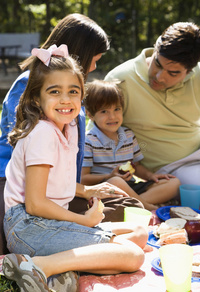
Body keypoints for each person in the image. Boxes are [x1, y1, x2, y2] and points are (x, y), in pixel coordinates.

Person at [2, 46, 148, 292]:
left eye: (73, 91)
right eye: (54, 91)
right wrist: (83, 220)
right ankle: (39, 266)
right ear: (37, 98)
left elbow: (56, 183)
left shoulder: (67, 128)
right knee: (133, 255)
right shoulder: (43, 133)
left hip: (47, 221)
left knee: (139, 231)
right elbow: (35, 204)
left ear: (82, 96)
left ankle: (63, 269)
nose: (65, 99)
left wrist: (89, 191)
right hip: (28, 226)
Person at [103, 22, 200, 185]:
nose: (160, 77)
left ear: (190, 71)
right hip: (158, 172)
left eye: (173, 73)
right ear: (155, 50)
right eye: (158, 64)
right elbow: (96, 132)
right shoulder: (120, 79)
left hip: (195, 158)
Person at [81, 80, 180, 211]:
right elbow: (83, 179)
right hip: (107, 188)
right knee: (116, 182)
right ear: (90, 115)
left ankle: (136, 204)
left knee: (174, 183)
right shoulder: (89, 141)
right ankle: (149, 207)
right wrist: (109, 176)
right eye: (104, 111)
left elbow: (137, 166)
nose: (112, 116)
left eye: (117, 109)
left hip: (131, 187)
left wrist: (150, 176)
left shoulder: (128, 135)